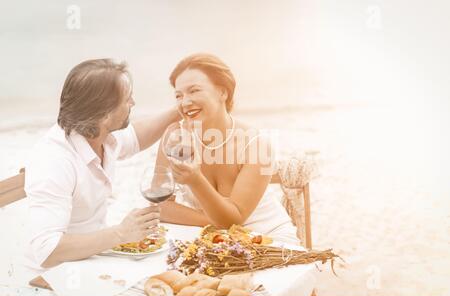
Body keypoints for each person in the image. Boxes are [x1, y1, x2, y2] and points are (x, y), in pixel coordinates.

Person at [24, 59, 180, 270]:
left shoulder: (101, 136)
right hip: (58, 272)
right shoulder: (54, 161)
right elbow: (46, 250)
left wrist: (179, 109)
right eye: (127, 99)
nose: (133, 103)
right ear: (104, 114)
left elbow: (137, 137)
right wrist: (121, 233)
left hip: (94, 258)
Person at [155, 53, 299, 244]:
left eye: (194, 90)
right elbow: (160, 206)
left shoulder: (256, 144)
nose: (185, 102)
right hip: (212, 239)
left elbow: (233, 219)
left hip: (267, 239)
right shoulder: (174, 138)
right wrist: (211, 222)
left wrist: (195, 180)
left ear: (223, 93)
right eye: (178, 95)